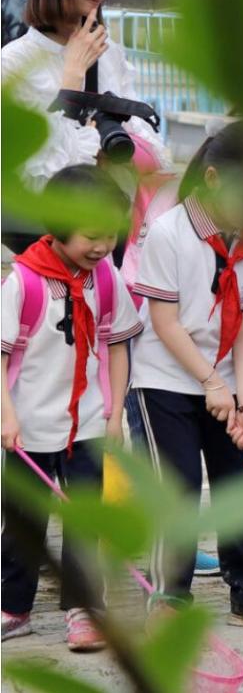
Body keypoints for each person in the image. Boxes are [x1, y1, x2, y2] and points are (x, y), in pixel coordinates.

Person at [129, 120, 243, 632]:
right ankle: (170, 594)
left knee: (235, 483)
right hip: (164, 381)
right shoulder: (169, 233)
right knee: (176, 485)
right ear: (216, 177)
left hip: (222, 381)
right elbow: (165, 323)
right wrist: (211, 383)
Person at [1, 165, 142, 650]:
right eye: (92, 236)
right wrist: (6, 415)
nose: (103, 246)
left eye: (111, 235)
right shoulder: (23, 282)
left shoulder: (106, 278)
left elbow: (118, 345)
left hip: (87, 423)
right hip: (28, 426)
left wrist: (116, 410)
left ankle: (85, 607)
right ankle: (13, 606)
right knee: (22, 522)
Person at [0, 0, 170, 254]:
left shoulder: (108, 51)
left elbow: (147, 143)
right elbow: (41, 174)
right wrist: (72, 78)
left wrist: (121, 149)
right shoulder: (13, 62)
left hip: (110, 223)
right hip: (44, 231)